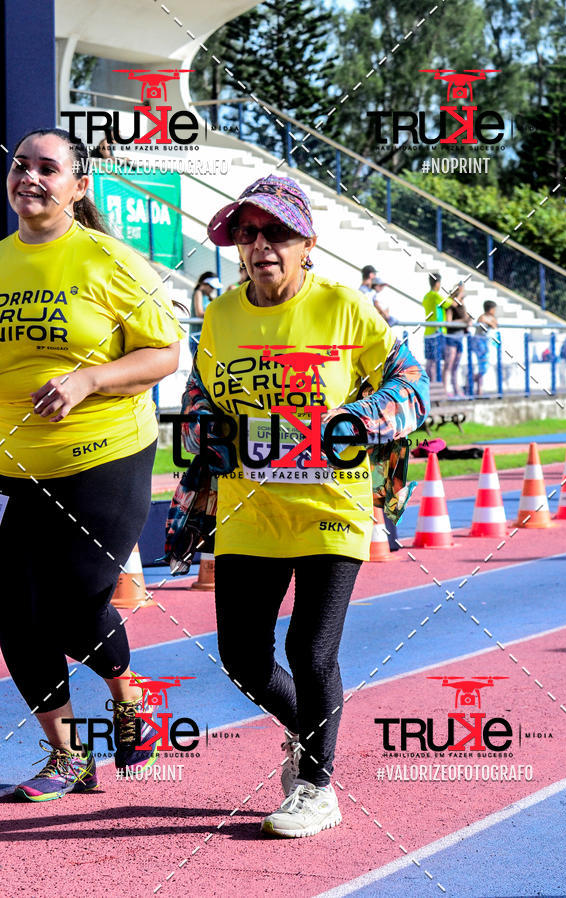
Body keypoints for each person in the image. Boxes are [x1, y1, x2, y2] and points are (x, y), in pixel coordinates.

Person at [181, 174, 429, 838]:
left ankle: (317, 787)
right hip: (249, 512)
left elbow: (413, 385)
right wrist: (205, 429)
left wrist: (355, 420)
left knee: (310, 651)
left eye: (278, 233)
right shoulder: (221, 315)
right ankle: (308, 731)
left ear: (308, 242)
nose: (261, 245)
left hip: (331, 507)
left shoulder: (346, 308)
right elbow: (199, 397)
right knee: (242, 658)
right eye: (248, 233)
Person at [0, 127, 185, 801]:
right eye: (21, 165)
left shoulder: (111, 261)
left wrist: (87, 380)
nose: (30, 176)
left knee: (71, 608)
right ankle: (67, 756)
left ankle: (127, 695)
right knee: (14, 612)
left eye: (47, 168)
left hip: (104, 456)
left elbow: (165, 354)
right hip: (19, 464)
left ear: (79, 187)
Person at [422, 272, 453, 382]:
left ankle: (428, 384)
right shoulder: (435, 295)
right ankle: (435, 384)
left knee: (430, 361)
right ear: (438, 283)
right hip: (437, 332)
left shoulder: (426, 296)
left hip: (428, 332)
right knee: (436, 361)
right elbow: (450, 303)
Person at [443, 282, 471, 397]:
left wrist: (467, 321)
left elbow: (466, 318)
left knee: (455, 366)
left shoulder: (462, 306)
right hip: (451, 337)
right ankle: (445, 390)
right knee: (448, 365)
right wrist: (463, 321)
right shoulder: (451, 306)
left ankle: (456, 389)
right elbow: (449, 322)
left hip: (460, 337)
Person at [189, 271, 222, 357]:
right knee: (199, 365)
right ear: (204, 283)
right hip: (197, 338)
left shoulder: (208, 297)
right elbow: (199, 313)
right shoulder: (198, 293)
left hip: (206, 338)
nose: (213, 289)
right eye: (211, 286)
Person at [472, 300, 498, 395]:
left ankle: (473, 381)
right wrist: (489, 322)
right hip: (479, 343)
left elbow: (495, 325)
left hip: (485, 343)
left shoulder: (492, 318)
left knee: (484, 367)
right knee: (482, 365)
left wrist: (491, 322)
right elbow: (482, 321)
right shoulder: (482, 317)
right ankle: (478, 388)